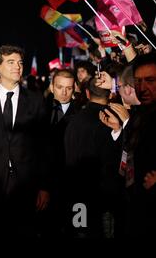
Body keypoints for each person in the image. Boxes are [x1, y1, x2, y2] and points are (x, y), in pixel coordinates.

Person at [0, 45, 49, 238]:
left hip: (27, 185)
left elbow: (44, 147)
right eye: (11, 62)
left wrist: (45, 186)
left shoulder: (37, 101)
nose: (17, 67)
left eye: (20, 63)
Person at [100, 53, 156, 237]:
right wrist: (120, 129)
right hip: (133, 207)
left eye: (150, 80)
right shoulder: (136, 116)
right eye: (138, 81)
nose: (142, 88)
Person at [64, 77, 121, 238]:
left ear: (88, 93)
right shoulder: (114, 121)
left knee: (80, 232)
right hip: (102, 199)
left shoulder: (73, 120)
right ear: (110, 94)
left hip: (77, 195)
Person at [40, 69, 79, 236]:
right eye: (60, 87)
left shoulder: (81, 113)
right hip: (47, 184)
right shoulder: (40, 111)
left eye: (68, 88)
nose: (64, 92)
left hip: (76, 186)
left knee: (77, 230)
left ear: (74, 88)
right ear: (52, 86)